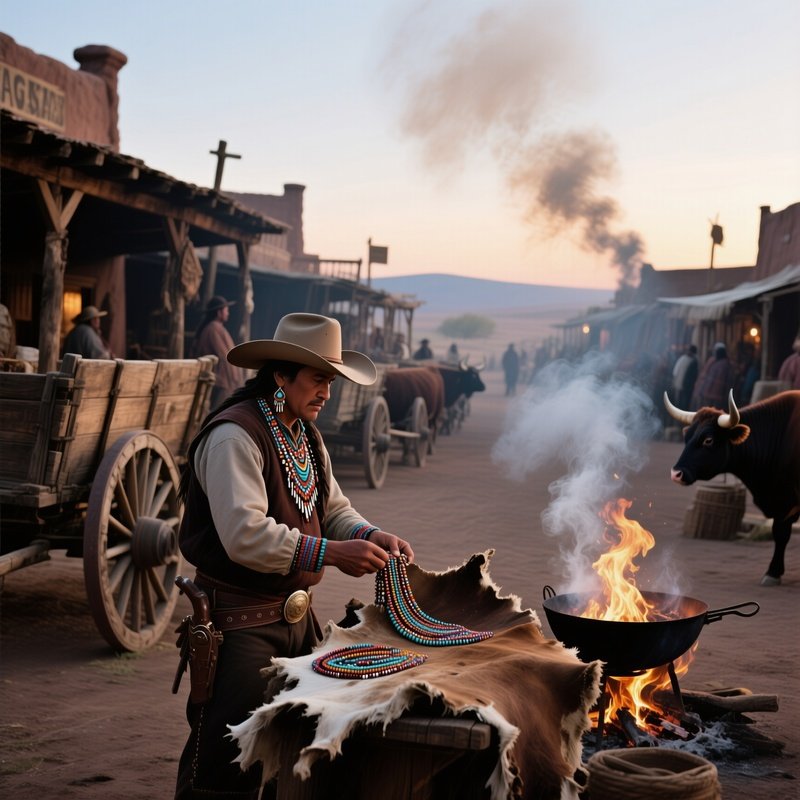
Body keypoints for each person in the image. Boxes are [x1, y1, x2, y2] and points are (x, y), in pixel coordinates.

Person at [174, 312, 414, 800]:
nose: (327, 392)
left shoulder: (305, 435)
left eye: (332, 380)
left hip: (296, 624)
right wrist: (331, 552)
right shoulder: (234, 435)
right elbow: (245, 535)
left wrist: (372, 534)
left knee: (287, 757)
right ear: (281, 375)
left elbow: (333, 509)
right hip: (238, 626)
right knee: (227, 762)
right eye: (318, 379)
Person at [193, 295, 245, 408]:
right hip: (221, 383)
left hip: (224, 383)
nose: (228, 313)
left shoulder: (216, 328)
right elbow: (224, 356)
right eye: (226, 310)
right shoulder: (213, 329)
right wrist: (234, 381)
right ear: (219, 312)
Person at [694, 342, 737, 408]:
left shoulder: (726, 364)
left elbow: (728, 381)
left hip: (717, 396)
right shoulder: (714, 361)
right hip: (708, 394)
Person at [671, 344, 699, 409]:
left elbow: (675, 371)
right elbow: (675, 371)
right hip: (681, 384)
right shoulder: (687, 359)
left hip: (685, 385)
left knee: (682, 401)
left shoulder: (692, 361)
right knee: (680, 400)